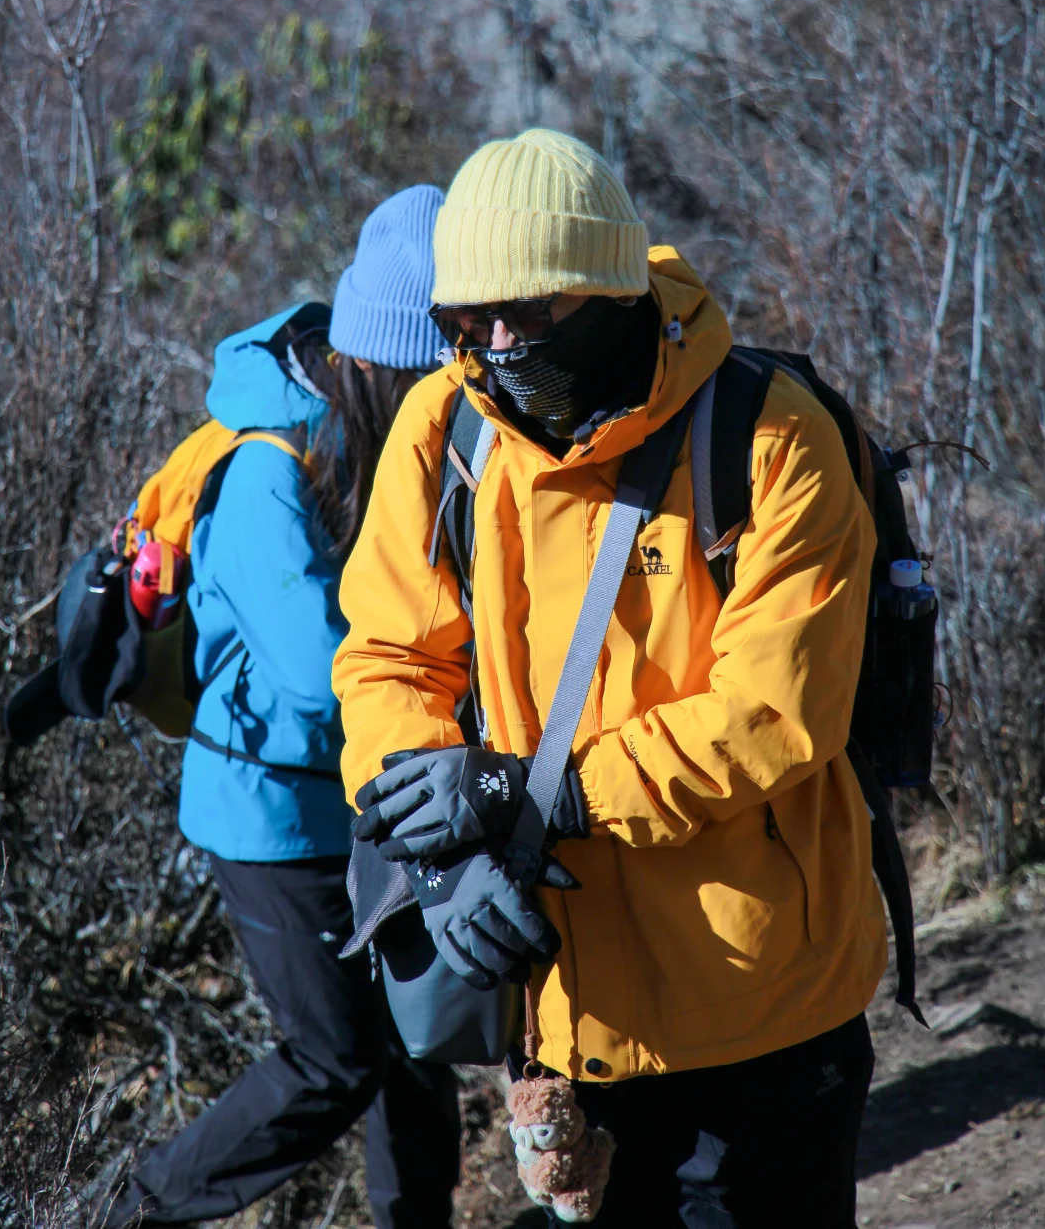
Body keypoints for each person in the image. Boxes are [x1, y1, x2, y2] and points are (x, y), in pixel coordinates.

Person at [333, 130, 887, 1228]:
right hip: (565, 1017)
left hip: (761, 1010)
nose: (496, 347)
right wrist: (444, 858)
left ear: (609, 292)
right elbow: (389, 658)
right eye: (468, 321)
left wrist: (534, 794)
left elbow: (775, 711)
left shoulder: (771, 439)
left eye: (527, 314)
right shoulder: (444, 430)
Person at [106, 186, 460, 1229]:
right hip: (272, 816)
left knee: (414, 1039)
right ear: (385, 362)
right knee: (334, 1058)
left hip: (364, 791)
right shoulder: (271, 467)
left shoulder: (375, 433)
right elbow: (316, 671)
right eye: (437, 376)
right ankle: (131, 1210)